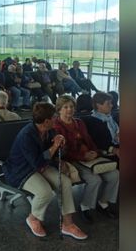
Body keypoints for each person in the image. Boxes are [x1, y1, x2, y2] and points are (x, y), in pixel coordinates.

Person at [4, 102, 88, 239]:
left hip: (40, 165)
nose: (56, 119)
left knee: (65, 183)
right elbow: (37, 162)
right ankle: (33, 218)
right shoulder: (27, 135)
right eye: (54, 117)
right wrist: (54, 146)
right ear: (47, 121)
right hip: (22, 169)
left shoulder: (49, 130)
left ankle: (68, 224)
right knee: (45, 192)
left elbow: (51, 151)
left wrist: (59, 140)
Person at [53, 95, 119, 224]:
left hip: (88, 157)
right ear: (59, 109)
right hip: (72, 160)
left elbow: (88, 140)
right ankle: (85, 206)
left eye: (71, 107)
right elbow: (63, 151)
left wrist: (95, 151)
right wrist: (82, 156)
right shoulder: (57, 127)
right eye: (65, 107)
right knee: (94, 179)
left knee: (115, 175)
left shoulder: (79, 122)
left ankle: (103, 202)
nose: (69, 110)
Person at [85, 92, 120, 159]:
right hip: (107, 151)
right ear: (98, 105)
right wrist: (113, 149)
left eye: (111, 103)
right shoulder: (93, 121)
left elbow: (117, 132)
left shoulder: (109, 118)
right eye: (108, 104)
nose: (111, 105)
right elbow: (97, 142)